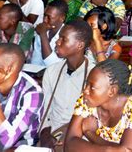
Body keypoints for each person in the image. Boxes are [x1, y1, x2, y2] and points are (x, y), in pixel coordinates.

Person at [65, 59, 132, 151]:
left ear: (112, 91)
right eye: (86, 84)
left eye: (92, 87)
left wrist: (90, 133)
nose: (85, 90)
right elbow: (70, 143)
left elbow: (127, 149)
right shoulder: (87, 99)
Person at [40, 20, 95, 148]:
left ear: (80, 45)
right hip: (52, 132)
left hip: (79, 136)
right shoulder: (52, 71)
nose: (57, 42)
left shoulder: (93, 75)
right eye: (59, 37)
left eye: (63, 39)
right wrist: (45, 133)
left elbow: (92, 118)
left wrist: (70, 137)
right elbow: (45, 110)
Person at [29, 0, 68, 66]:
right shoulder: (43, 30)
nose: (45, 20)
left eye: (49, 17)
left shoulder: (67, 36)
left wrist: (43, 35)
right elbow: (36, 58)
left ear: (62, 18)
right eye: (44, 15)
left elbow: (53, 65)